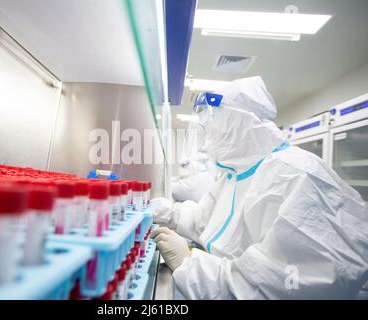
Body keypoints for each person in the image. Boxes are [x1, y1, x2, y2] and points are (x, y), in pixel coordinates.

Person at [152, 76, 368, 299]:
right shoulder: (234, 174)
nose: (208, 139)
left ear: (238, 123)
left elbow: (285, 285)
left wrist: (191, 265)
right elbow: (202, 220)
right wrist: (166, 212)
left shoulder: (294, 173)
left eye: (213, 126)